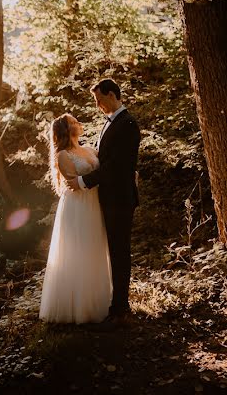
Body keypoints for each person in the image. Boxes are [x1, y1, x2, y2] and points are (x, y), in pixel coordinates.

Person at [67, 79, 141, 319]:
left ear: (111, 95)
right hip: (108, 198)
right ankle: (113, 302)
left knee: (119, 252)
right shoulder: (109, 124)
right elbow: (102, 158)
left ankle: (120, 308)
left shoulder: (127, 124)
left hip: (120, 199)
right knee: (112, 251)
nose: (97, 105)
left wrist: (82, 182)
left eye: (99, 100)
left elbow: (115, 167)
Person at [39, 113, 112, 324]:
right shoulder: (63, 155)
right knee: (80, 250)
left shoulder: (89, 149)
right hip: (79, 207)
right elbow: (73, 184)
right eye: (72, 122)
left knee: (96, 249)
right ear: (65, 130)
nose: (77, 124)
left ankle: (99, 301)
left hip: (95, 204)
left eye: (75, 121)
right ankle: (79, 309)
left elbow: (103, 171)